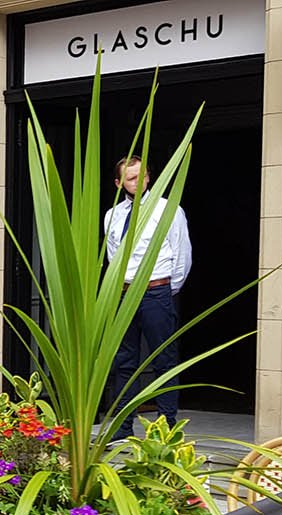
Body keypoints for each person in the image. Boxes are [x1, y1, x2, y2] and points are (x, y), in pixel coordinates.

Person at [104, 155, 192, 440]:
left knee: (163, 360)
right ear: (119, 183)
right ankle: (122, 427)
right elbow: (112, 256)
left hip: (157, 291)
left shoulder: (168, 209)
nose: (138, 181)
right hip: (124, 293)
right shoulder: (113, 215)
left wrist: (165, 289)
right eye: (130, 178)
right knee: (124, 361)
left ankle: (165, 428)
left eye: (142, 175)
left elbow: (182, 257)